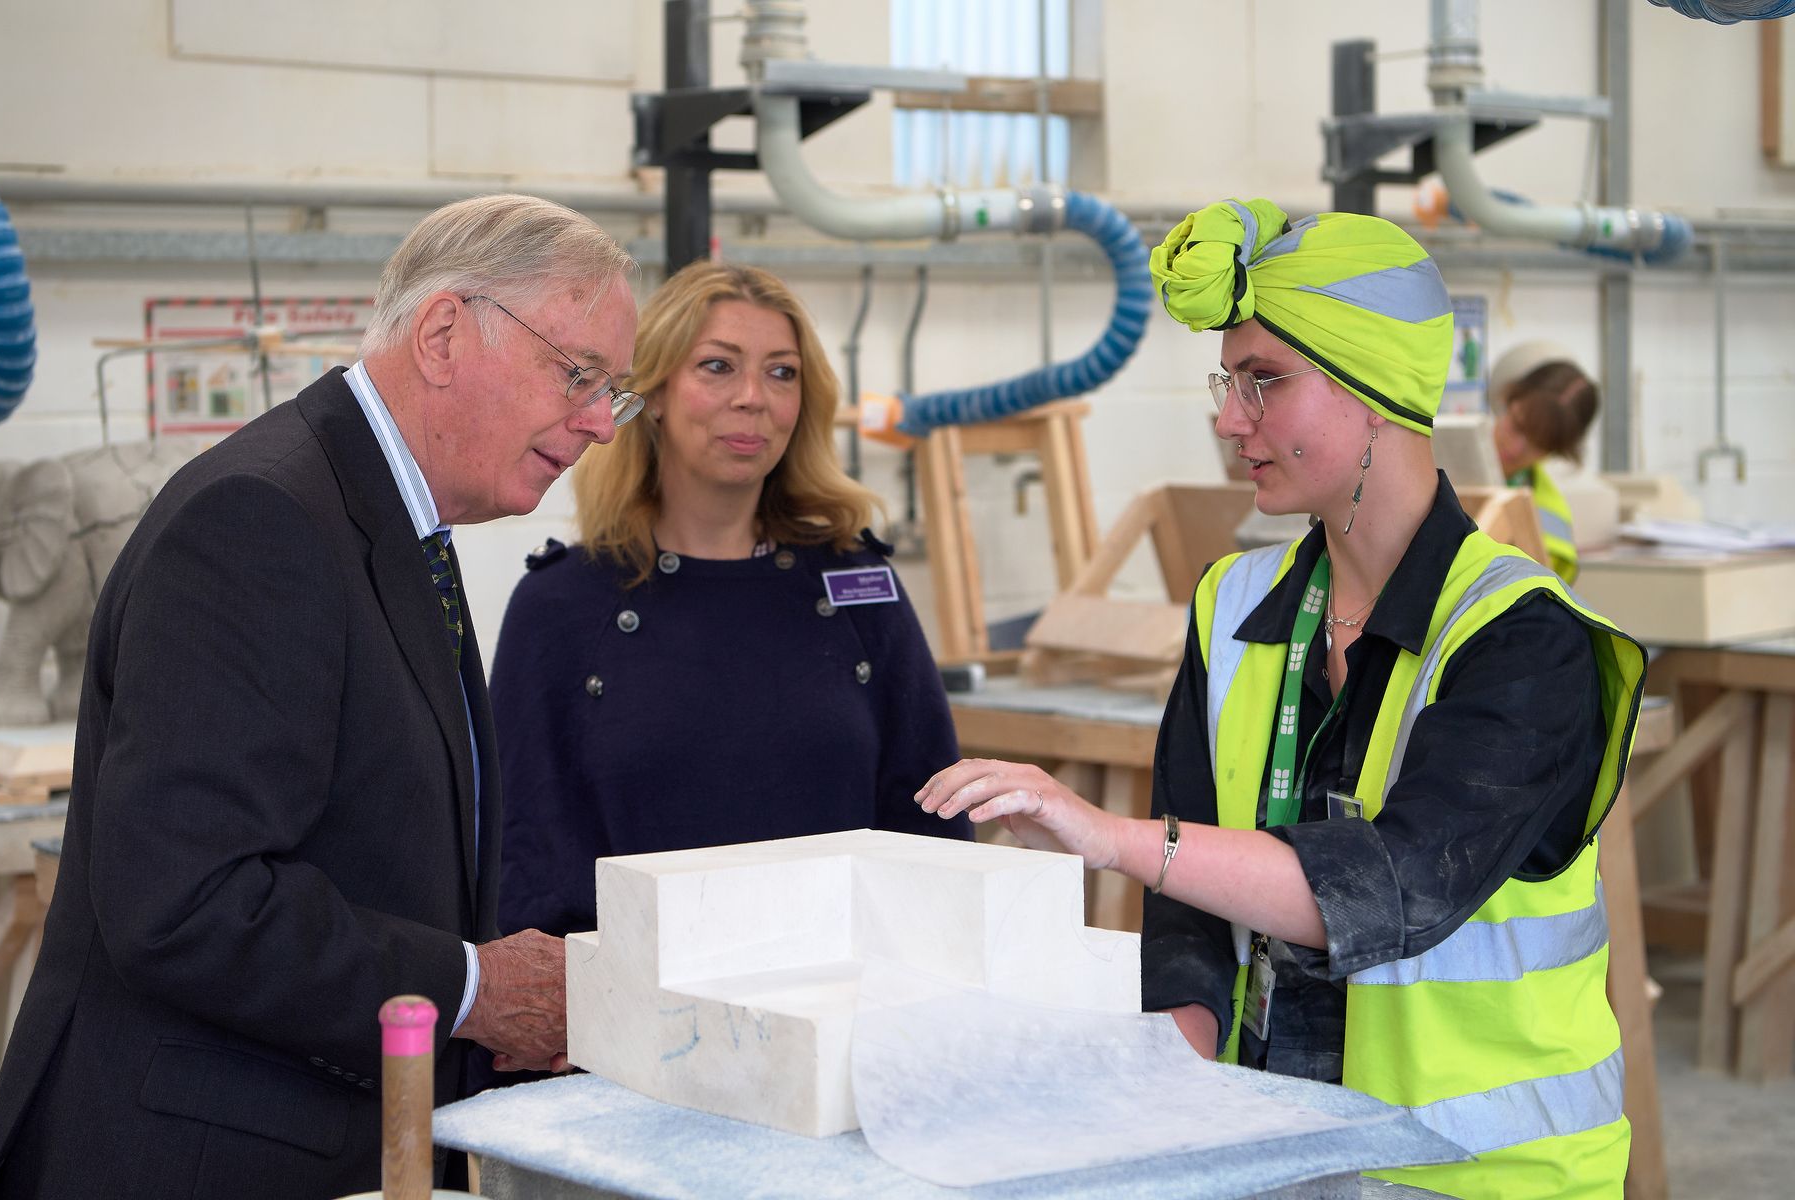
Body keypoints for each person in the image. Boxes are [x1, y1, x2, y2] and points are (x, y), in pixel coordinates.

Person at [917, 200, 1645, 1199]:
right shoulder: (1233, 606)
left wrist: (1109, 836)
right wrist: (1169, 1072)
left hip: (1486, 1175)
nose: (1227, 419)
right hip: (1276, 1160)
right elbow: (1187, 902)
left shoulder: (1523, 641)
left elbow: (1393, 885)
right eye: (1228, 382)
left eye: (1263, 382)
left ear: (1372, 389)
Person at [0, 194, 639, 1200]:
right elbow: (187, 901)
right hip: (194, 1158)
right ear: (446, 333)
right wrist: (466, 991)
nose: (597, 423)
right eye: (578, 374)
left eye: (612, 392)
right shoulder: (262, 521)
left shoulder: (387, 518)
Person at [486, 261, 969, 979]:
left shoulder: (858, 588)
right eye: (717, 367)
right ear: (650, 394)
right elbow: (524, 869)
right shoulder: (562, 606)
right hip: (632, 1024)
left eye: (782, 374)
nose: (753, 399)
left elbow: (932, 825)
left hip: (848, 1006)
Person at [1489, 339, 1601, 584]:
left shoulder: (1551, 527)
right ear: (1507, 397)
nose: (1516, 448)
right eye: (1517, 424)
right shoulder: (1430, 454)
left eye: (1538, 444)